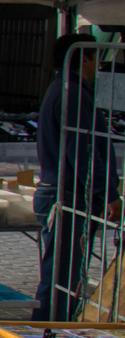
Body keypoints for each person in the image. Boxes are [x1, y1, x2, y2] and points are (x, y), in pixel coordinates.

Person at [34, 34, 122, 320]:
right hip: (67, 195)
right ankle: (48, 332)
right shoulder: (70, 93)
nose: (99, 65)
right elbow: (82, 152)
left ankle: (52, 327)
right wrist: (106, 194)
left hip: (64, 191)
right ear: (83, 57)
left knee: (64, 273)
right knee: (62, 275)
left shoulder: (67, 89)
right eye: (96, 57)